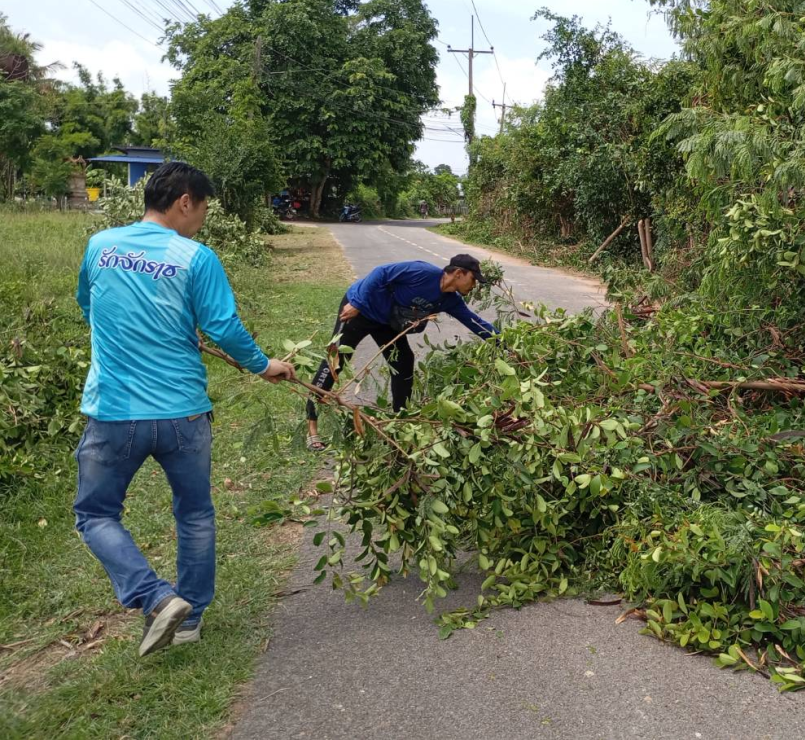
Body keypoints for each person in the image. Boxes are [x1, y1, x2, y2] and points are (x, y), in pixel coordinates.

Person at [74, 162, 295, 656]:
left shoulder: (100, 245)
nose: (203, 218)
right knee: (194, 514)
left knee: (95, 514)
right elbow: (225, 327)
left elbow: (89, 305)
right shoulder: (196, 257)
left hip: (113, 412)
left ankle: (155, 597)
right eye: (204, 207)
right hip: (183, 415)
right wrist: (264, 366)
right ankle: (189, 617)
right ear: (185, 201)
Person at [305, 254, 496, 449]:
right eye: (473, 279)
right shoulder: (423, 272)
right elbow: (381, 273)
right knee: (335, 361)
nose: (474, 286)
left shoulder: (450, 300)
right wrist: (357, 304)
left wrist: (502, 341)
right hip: (360, 311)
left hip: (386, 323)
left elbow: (474, 322)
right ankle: (311, 429)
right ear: (458, 273)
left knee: (403, 362)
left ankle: (399, 420)